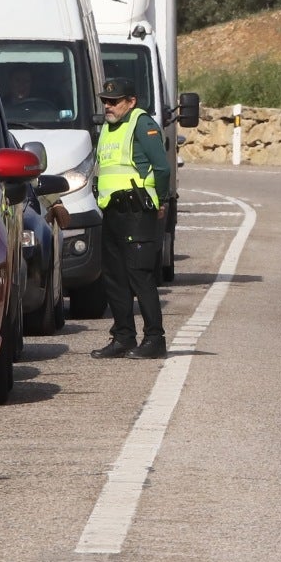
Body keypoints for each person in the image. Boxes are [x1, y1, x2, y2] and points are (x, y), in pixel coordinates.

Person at [93, 77, 172, 358]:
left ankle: (154, 339)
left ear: (131, 101)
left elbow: (162, 169)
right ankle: (123, 337)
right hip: (112, 211)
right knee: (114, 277)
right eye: (105, 101)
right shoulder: (108, 128)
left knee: (139, 276)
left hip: (138, 211)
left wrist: (161, 201)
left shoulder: (142, 124)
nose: (108, 106)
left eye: (114, 101)